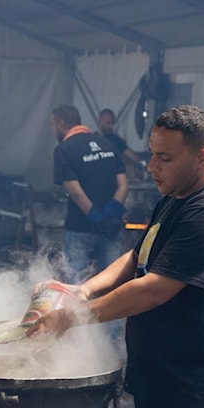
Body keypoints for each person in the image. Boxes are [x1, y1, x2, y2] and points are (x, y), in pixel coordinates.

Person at [30, 105, 204, 408]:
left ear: (201, 157)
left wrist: (70, 318)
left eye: (165, 159)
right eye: (151, 154)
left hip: (196, 386)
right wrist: (84, 289)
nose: (152, 167)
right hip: (162, 374)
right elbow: (139, 256)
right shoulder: (175, 198)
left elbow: (153, 290)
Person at [52, 105, 128, 283]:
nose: (52, 129)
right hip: (112, 227)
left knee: (76, 285)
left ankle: (77, 312)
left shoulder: (63, 150)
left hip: (80, 227)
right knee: (110, 282)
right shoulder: (109, 144)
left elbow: (76, 192)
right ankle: (110, 312)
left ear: (62, 124)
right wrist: (110, 214)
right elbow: (124, 185)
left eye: (52, 125)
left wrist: (95, 217)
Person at [96, 108, 145, 178]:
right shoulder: (91, 139)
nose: (111, 126)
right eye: (108, 123)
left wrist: (143, 164)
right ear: (100, 122)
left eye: (113, 123)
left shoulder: (115, 140)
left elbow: (133, 156)